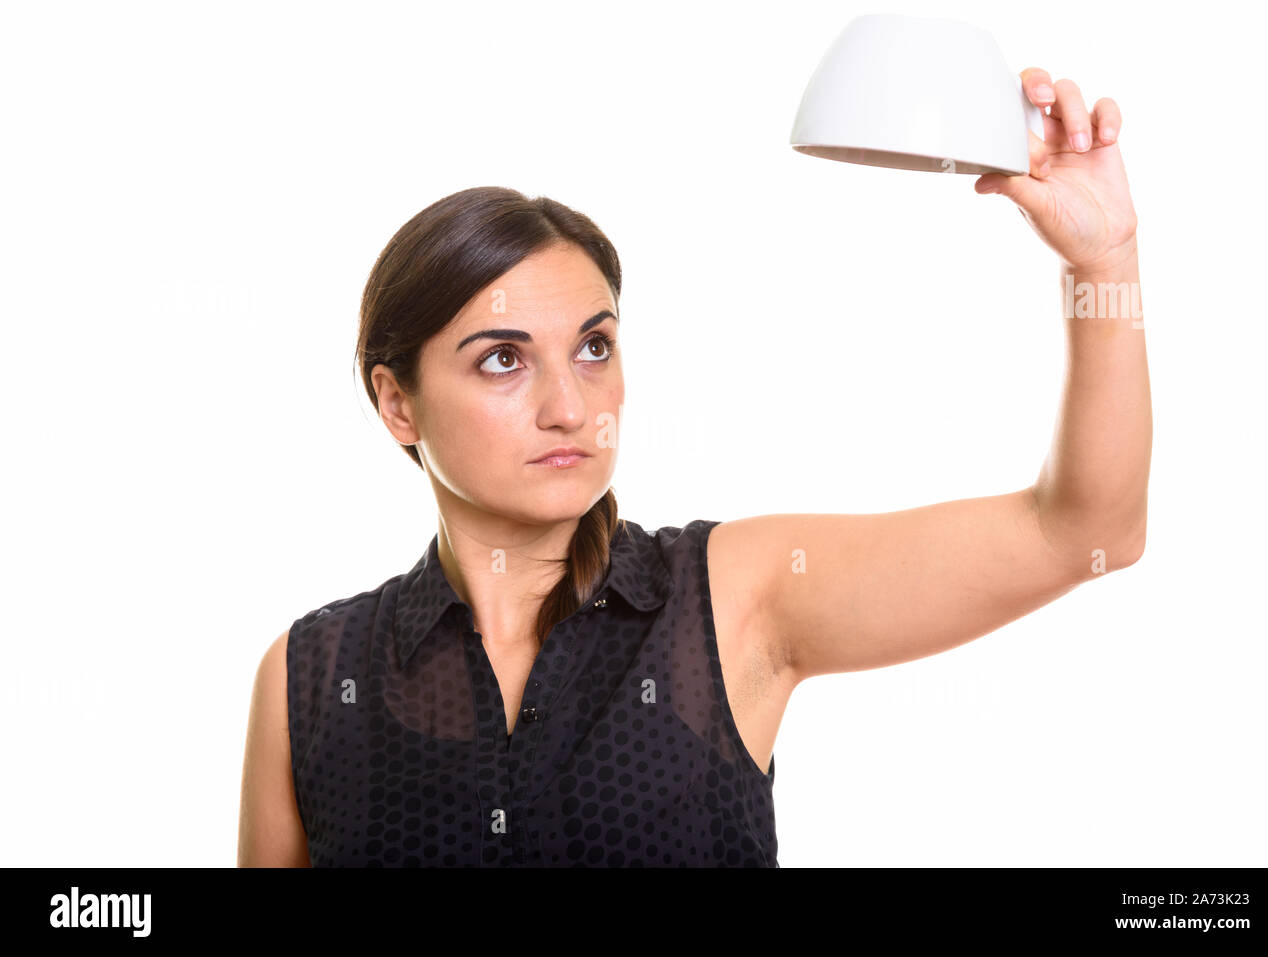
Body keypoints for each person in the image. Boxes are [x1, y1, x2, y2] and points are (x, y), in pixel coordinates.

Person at [238, 67, 1149, 867]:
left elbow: (1085, 531)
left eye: (593, 349)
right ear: (397, 402)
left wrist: (1104, 260)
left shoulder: (730, 599)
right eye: (503, 359)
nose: (570, 404)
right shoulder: (310, 676)